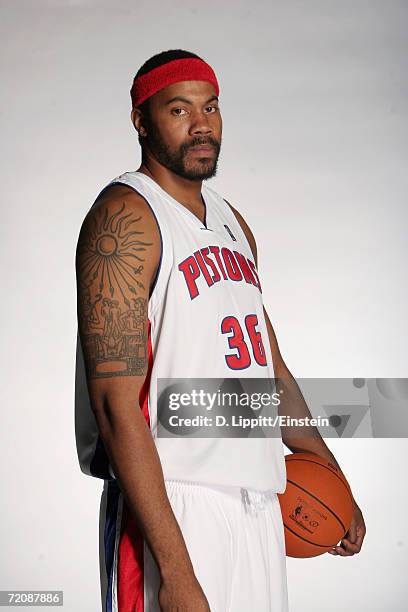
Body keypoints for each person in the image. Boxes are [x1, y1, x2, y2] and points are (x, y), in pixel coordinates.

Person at [75, 49, 366, 612]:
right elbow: (115, 407)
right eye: (179, 110)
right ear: (141, 119)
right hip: (171, 505)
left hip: (258, 500)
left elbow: (269, 371)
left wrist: (330, 470)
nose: (202, 124)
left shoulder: (233, 224)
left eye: (210, 107)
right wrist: (177, 573)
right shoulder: (126, 217)